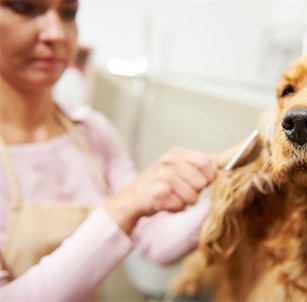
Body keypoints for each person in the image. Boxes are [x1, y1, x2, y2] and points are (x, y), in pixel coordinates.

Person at [0, 0, 217, 300]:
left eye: (68, 14)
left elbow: (156, 241)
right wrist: (124, 206)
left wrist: (233, 192)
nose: (56, 34)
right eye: (26, 8)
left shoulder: (91, 132)